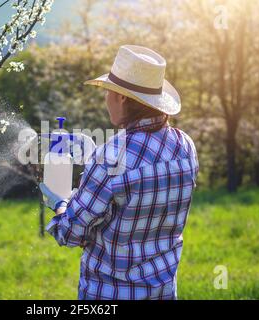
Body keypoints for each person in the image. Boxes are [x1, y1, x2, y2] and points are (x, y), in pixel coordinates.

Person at [40, 45, 199, 300]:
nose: (106, 99)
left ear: (122, 97)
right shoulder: (184, 146)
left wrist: (59, 202)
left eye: (108, 92)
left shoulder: (110, 156)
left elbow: (70, 233)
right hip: (163, 292)